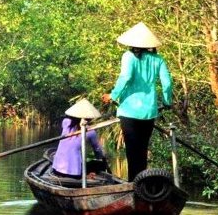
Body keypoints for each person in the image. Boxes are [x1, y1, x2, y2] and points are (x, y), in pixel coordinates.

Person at [102, 22, 173, 181]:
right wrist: (168, 101)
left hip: (129, 110)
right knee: (142, 149)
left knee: (132, 150)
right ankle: (141, 183)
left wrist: (112, 96)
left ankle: (133, 185)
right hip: (149, 112)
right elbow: (167, 83)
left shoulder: (128, 56)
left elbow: (125, 77)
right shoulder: (158, 60)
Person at [52, 98, 107, 179]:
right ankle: (87, 176)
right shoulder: (91, 132)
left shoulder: (66, 122)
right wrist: (103, 157)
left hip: (56, 169)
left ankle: (85, 175)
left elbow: (69, 118)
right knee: (100, 164)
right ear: (89, 118)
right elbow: (98, 152)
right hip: (75, 174)